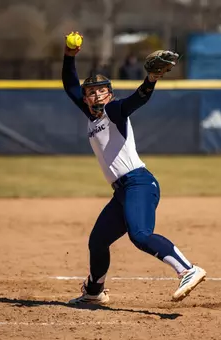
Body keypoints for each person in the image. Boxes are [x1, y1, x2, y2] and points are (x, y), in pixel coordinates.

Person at [61, 32, 207, 305]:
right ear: (85, 98)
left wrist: (150, 81)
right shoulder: (91, 117)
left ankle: (187, 269)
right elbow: (70, 85)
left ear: (110, 94)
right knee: (98, 241)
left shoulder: (113, 111)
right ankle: (94, 292)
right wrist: (70, 55)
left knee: (139, 236)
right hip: (122, 192)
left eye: (101, 89)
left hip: (139, 183)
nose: (96, 94)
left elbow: (135, 101)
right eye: (91, 91)